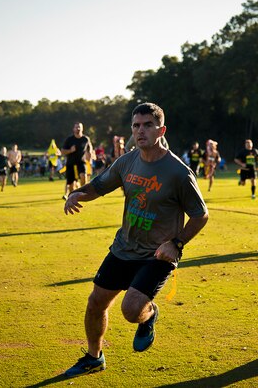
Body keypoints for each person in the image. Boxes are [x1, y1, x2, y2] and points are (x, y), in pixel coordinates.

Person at [63, 102, 208, 377]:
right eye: (136, 126)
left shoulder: (178, 172)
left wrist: (176, 243)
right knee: (96, 302)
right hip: (124, 246)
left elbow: (201, 215)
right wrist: (77, 194)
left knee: (131, 311)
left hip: (158, 254)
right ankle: (94, 357)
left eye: (147, 125)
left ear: (161, 129)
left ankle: (149, 313)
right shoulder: (127, 161)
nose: (140, 131)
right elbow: (98, 186)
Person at [61, 122, 93, 199]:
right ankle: (73, 196)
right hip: (71, 163)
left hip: (81, 162)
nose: (78, 129)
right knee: (71, 184)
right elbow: (62, 151)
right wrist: (70, 150)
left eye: (79, 127)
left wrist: (90, 154)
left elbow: (90, 148)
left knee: (83, 176)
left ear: (82, 129)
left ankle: (83, 193)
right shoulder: (69, 139)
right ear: (73, 129)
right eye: (76, 127)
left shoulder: (85, 139)